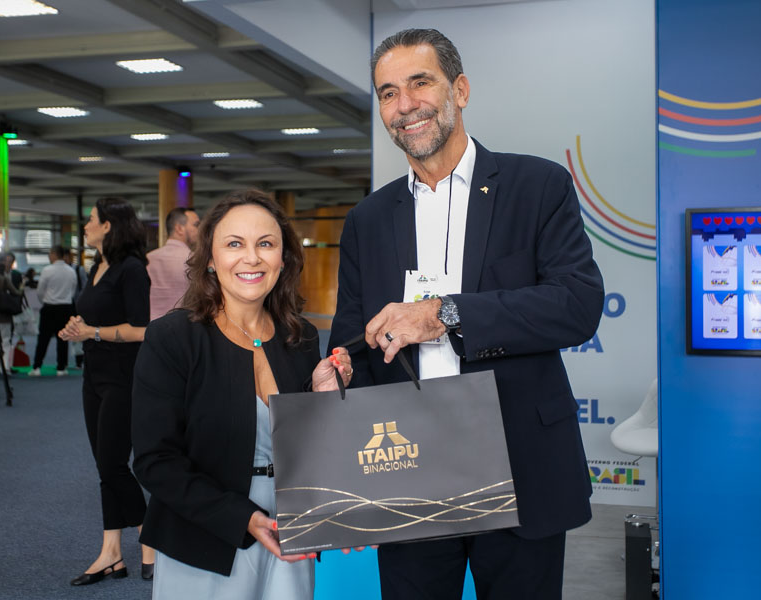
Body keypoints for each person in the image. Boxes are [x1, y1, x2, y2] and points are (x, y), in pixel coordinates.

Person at [328, 29, 605, 599]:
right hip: (408, 471)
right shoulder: (368, 220)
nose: (405, 105)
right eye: (388, 93)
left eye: (420, 83)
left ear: (460, 89)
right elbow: (351, 339)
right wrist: (336, 369)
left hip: (519, 461)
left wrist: (444, 314)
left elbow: (576, 305)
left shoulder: (537, 186)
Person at [130, 190, 352, 600]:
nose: (251, 258)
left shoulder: (300, 337)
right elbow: (154, 461)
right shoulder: (173, 338)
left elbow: (311, 448)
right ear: (210, 259)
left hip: (291, 532)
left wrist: (324, 397)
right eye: (234, 244)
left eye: (265, 244)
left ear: (283, 258)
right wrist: (244, 518)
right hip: (205, 535)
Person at [57, 197, 155, 585]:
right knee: (105, 466)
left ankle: (150, 541)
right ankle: (111, 553)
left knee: (113, 464)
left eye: (91, 219)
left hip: (124, 377)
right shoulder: (96, 266)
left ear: (108, 226)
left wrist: (93, 332)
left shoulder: (132, 270)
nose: (85, 226)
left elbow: (142, 329)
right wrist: (76, 328)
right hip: (93, 376)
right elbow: (91, 318)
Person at [28, 246, 76, 377]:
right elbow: (73, 290)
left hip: (49, 307)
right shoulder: (71, 271)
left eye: (50, 253)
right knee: (63, 339)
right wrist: (65, 299)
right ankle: (61, 368)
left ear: (55, 254)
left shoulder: (47, 270)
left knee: (43, 338)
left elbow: (40, 291)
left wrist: (45, 300)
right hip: (65, 308)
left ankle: (37, 367)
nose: (49, 256)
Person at [146, 207, 200, 320]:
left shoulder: (148, 258)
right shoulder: (194, 260)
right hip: (182, 325)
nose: (199, 230)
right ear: (179, 228)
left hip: (149, 325)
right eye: (196, 225)